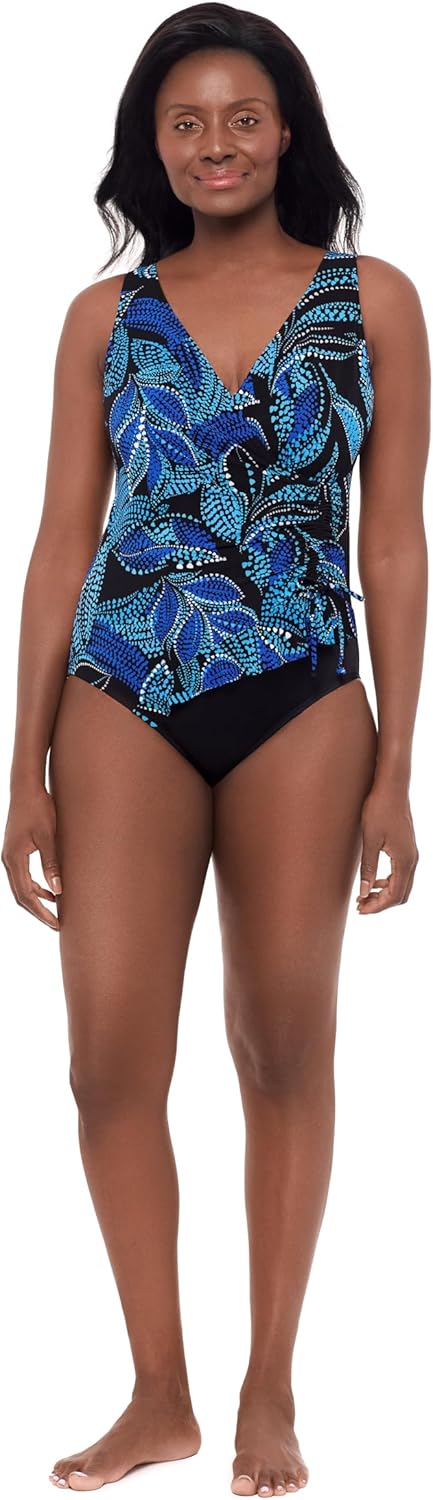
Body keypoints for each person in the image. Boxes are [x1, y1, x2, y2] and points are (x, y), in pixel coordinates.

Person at [1, 2, 429, 1494]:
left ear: (287, 129)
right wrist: (22, 769)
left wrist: (395, 767)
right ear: (154, 145)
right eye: (185, 123)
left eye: (243, 116)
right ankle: (158, 1393)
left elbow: (392, 541)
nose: (216, 144)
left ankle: (269, 1390)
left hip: (303, 696)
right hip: (121, 692)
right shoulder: (102, 319)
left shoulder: (371, 300)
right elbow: (60, 544)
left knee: (282, 1046)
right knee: (106, 1064)